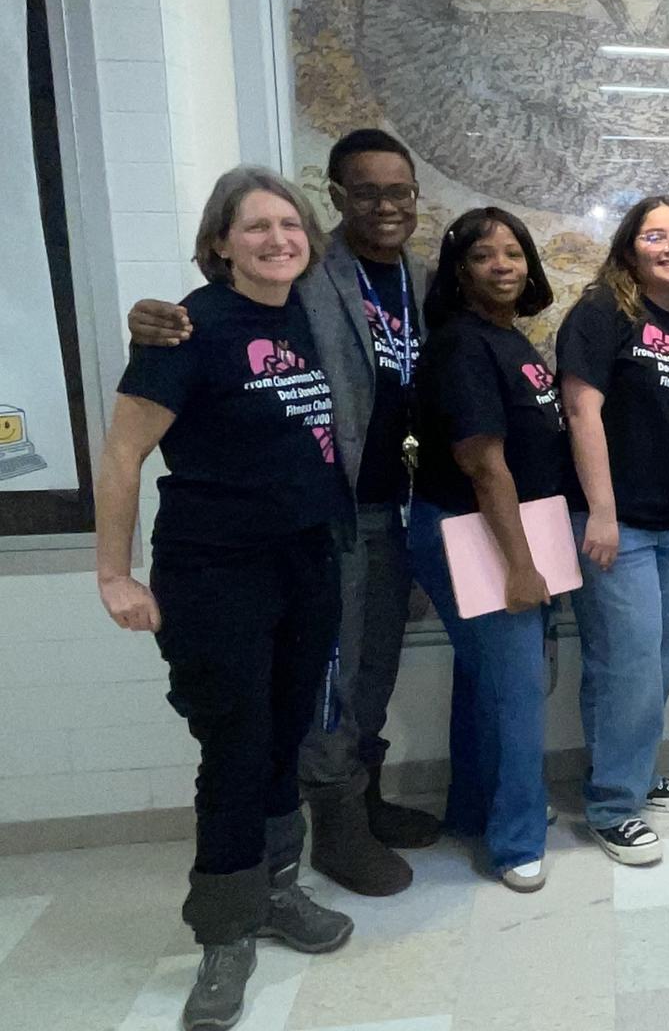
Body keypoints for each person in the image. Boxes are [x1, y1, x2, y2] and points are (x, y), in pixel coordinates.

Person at [128, 129, 439, 897]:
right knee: (330, 678)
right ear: (335, 196)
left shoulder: (421, 279)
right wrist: (151, 319)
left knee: (374, 669)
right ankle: (335, 825)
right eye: (366, 191)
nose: (386, 205)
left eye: (399, 191)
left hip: (397, 509)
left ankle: (363, 797)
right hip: (324, 514)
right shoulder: (305, 273)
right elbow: (226, 318)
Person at [96, 166, 355, 1031]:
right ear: (220, 243)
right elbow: (123, 452)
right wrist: (114, 573)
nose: (278, 239)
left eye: (290, 225)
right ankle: (224, 933)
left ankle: (276, 891)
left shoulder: (311, 319)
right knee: (236, 749)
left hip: (306, 562)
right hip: (215, 572)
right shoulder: (188, 328)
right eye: (256, 227)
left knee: (284, 736)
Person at [405, 207, 567, 890]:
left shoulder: (508, 339)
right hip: (475, 532)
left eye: (513, 253)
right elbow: (483, 464)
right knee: (516, 693)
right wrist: (521, 566)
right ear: (458, 271)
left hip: (508, 528)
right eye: (482, 255)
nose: (502, 265)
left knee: (487, 682)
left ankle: (476, 810)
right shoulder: (462, 346)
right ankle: (516, 839)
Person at [557, 196, 669, 864]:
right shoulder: (602, 313)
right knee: (625, 667)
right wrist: (601, 511)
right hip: (616, 524)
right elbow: (580, 411)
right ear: (629, 248)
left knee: (654, 663)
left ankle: (630, 771)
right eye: (656, 236)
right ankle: (612, 807)